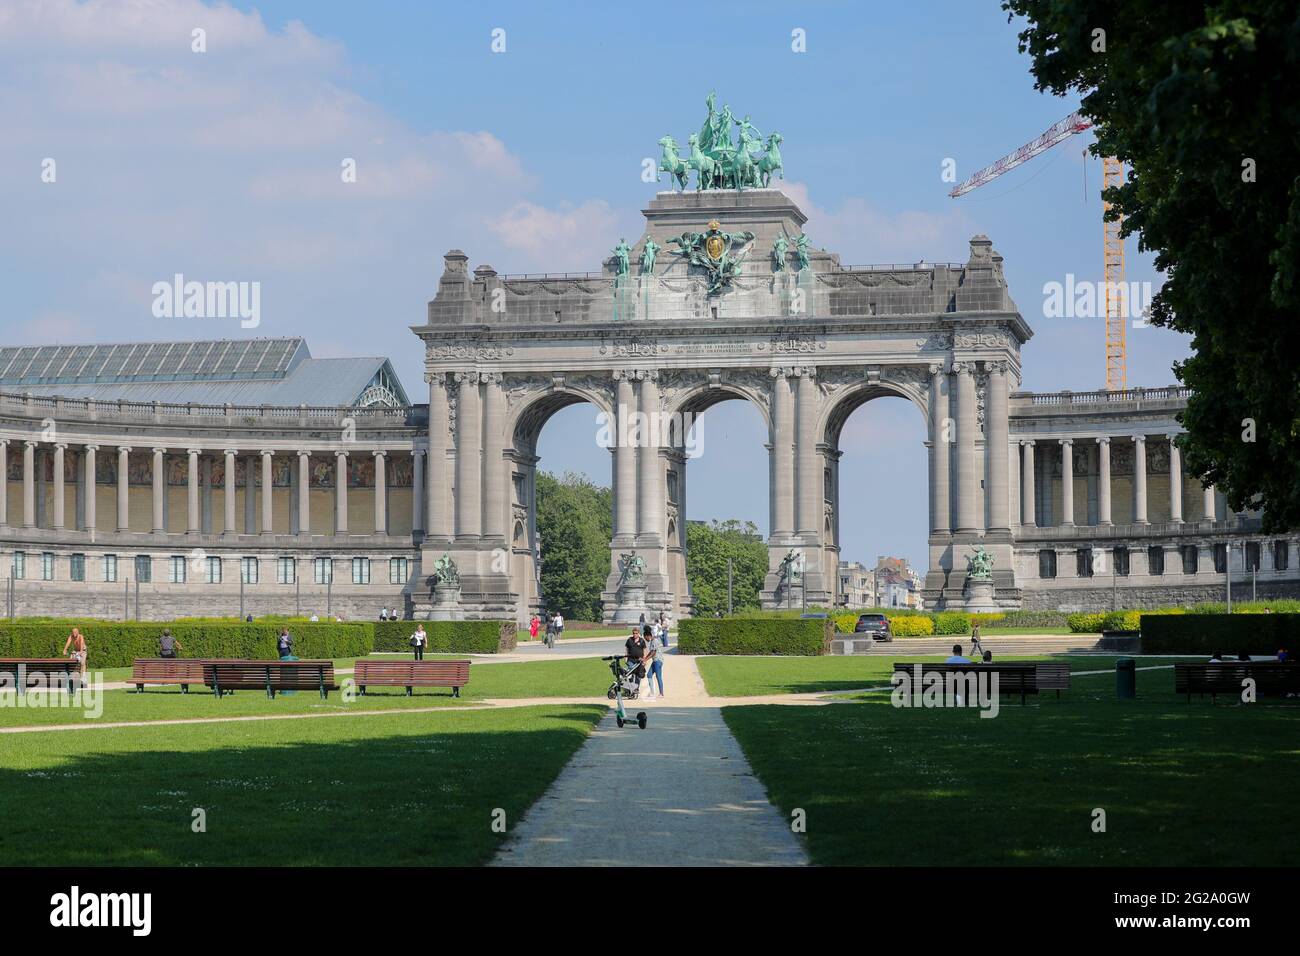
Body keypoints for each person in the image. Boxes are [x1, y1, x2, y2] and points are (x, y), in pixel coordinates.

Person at [643, 623, 665, 699]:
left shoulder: (655, 641)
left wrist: (645, 659)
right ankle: (652, 692)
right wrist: (645, 657)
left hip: (658, 661)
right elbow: (650, 651)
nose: (645, 640)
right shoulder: (652, 641)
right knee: (649, 675)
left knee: (658, 676)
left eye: (645, 638)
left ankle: (661, 693)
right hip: (655, 661)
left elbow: (653, 652)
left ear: (648, 636)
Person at [624, 624, 647, 690]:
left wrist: (644, 660)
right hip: (631, 660)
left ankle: (636, 688)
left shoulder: (642, 640)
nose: (635, 635)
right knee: (630, 674)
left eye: (636, 633)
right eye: (634, 633)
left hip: (639, 661)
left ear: (638, 633)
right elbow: (626, 649)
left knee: (638, 675)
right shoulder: (629, 640)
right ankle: (630, 688)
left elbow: (644, 650)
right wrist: (626, 659)